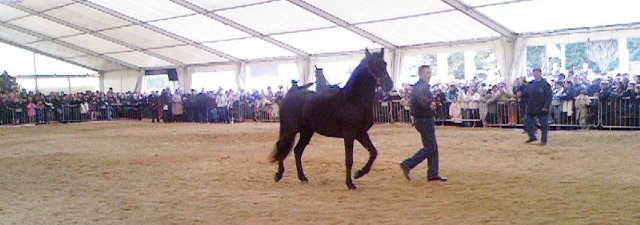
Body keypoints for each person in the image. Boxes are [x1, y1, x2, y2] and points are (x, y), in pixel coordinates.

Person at [400, 65, 447, 182]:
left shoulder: (420, 86)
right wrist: (429, 103)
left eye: (430, 73)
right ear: (421, 74)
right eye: (427, 73)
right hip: (424, 120)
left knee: (433, 147)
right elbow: (420, 97)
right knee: (431, 147)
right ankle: (408, 164)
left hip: (422, 119)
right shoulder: (420, 87)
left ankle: (433, 173)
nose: (429, 75)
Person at [523, 68, 552, 145]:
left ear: (540, 73)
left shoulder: (545, 84)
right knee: (526, 119)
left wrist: (546, 106)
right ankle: (532, 136)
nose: (534, 74)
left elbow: (549, 96)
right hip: (531, 107)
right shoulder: (530, 84)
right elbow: (526, 94)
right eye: (533, 73)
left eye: (536, 73)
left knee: (544, 124)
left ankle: (544, 140)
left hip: (542, 107)